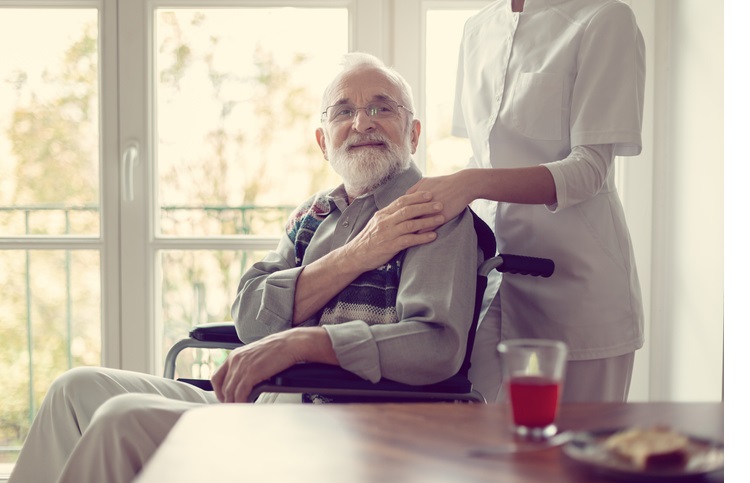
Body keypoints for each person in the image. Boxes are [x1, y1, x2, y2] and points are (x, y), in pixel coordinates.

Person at [8, 52, 484, 483]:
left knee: (120, 420)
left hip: (338, 420)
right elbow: (252, 317)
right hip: (263, 401)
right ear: (324, 140)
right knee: (75, 390)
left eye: (382, 108)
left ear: (414, 132)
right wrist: (359, 254)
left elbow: (435, 345)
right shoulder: (313, 214)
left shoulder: (433, 212)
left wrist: (304, 342)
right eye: (344, 111)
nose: (362, 122)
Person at [408, 0, 646, 403]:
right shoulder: (476, 27)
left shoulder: (605, 18)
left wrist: (469, 183)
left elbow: (589, 169)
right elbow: (482, 158)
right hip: (492, 284)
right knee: (486, 450)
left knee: (572, 458)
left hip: (577, 292)